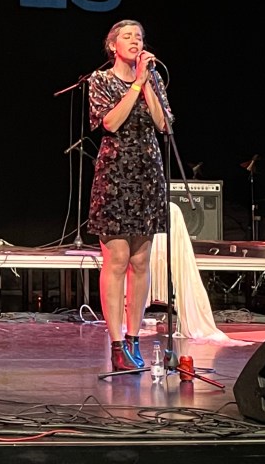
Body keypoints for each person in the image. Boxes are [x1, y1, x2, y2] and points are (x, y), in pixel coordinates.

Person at [87, 19, 172, 372]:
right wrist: (135, 84)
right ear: (113, 46)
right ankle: (116, 343)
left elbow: (163, 124)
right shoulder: (101, 80)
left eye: (139, 36)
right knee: (117, 259)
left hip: (147, 174)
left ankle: (135, 337)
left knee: (140, 261)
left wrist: (147, 82)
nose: (135, 41)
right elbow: (111, 122)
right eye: (127, 36)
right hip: (116, 174)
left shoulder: (153, 78)